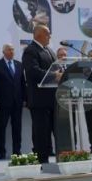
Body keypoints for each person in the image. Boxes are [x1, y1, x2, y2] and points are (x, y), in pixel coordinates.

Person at [22, 25, 60, 164]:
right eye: (47, 34)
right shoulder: (30, 51)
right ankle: (42, 160)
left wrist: (61, 73)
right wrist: (54, 75)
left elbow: (56, 67)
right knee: (41, 132)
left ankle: (60, 157)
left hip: (53, 99)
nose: (50, 36)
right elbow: (33, 71)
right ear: (39, 35)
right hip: (39, 100)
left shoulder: (49, 50)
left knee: (56, 130)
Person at [0, 44, 26, 159]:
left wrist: (25, 99)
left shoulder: (19, 64)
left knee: (17, 127)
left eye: (13, 50)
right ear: (4, 51)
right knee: (1, 127)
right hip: (3, 102)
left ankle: (17, 151)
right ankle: (2, 152)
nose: (12, 52)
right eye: (9, 50)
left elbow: (22, 83)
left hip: (17, 102)